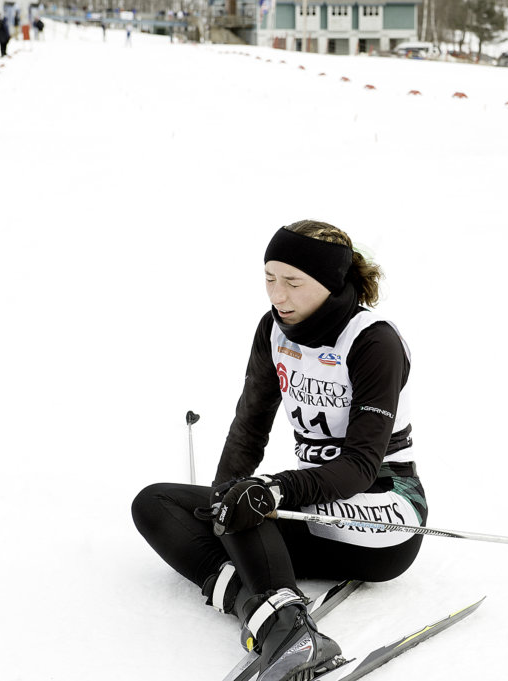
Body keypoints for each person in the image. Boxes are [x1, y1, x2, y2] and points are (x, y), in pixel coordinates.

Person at [132, 220, 425, 681]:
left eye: (293, 282)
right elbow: (249, 427)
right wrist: (224, 500)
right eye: (269, 278)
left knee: (250, 502)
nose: (278, 295)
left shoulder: (372, 341)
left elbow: (361, 465)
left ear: (330, 283)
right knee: (155, 502)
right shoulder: (273, 330)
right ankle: (268, 616)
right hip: (314, 505)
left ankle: (287, 629)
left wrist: (274, 490)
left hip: (382, 512)